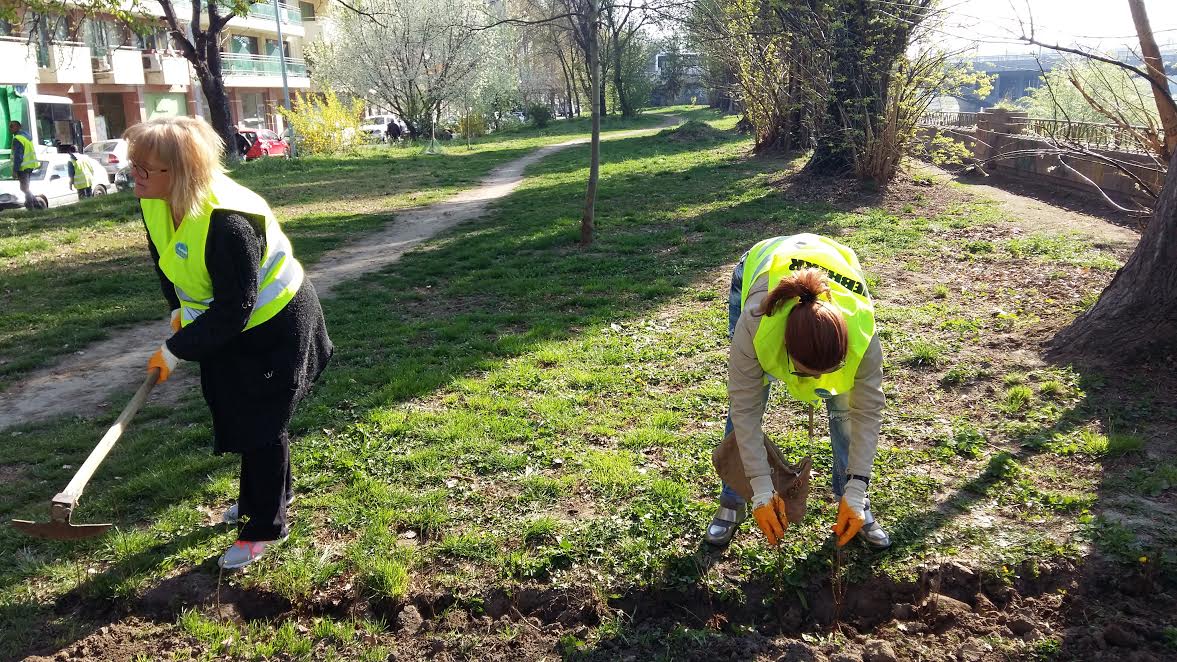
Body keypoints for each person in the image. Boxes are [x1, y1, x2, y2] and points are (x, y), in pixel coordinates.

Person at [125, 116, 332, 569]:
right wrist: (179, 311)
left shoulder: (228, 221)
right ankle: (271, 493)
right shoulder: (157, 201)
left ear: (178, 173)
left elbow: (236, 308)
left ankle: (263, 527)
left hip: (276, 325)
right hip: (231, 324)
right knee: (239, 409)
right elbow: (167, 261)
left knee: (261, 421)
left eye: (144, 168)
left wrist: (176, 350)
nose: (133, 175)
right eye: (133, 165)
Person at [704, 233, 890, 550]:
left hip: (832, 262)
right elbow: (745, 409)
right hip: (758, 267)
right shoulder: (756, 325)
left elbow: (867, 412)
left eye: (829, 372)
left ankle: (856, 502)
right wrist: (762, 490)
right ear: (785, 350)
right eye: (807, 373)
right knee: (747, 404)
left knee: (844, 409)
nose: (817, 382)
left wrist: (858, 486)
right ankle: (733, 501)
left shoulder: (862, 331)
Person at [8, 121, 40, 210]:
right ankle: (36, 205)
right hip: (30, 165)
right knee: (25, 188)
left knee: (24, 188)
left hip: (23, 167)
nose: (9, 129)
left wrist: (15, 170)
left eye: (11, 126)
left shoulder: (18, 139)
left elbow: (18, 156)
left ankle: (32, 207)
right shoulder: (26, 137)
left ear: (18, 127)